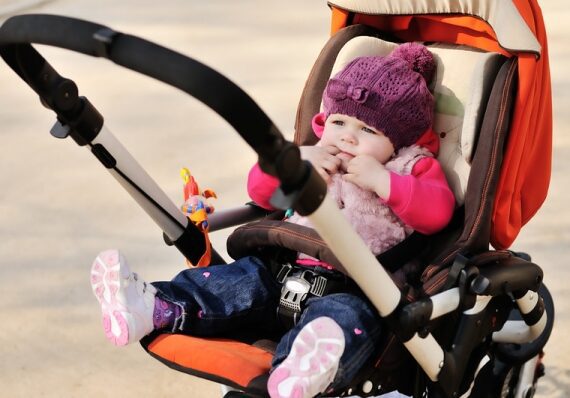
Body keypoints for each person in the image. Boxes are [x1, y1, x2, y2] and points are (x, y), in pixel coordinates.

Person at [90, 43, 455, 398]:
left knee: (343, 320)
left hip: (357, 288)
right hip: (280, 271)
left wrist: (384, 182)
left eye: (368, 131)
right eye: (339, 121)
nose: (347, 135)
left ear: (400, 141)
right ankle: (154, 306)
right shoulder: (307, 156)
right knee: (235, 282)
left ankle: (300, 370)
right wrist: (295, 162)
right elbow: (260, 190)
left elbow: (438, 212)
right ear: (323, 120)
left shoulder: (410, 167)